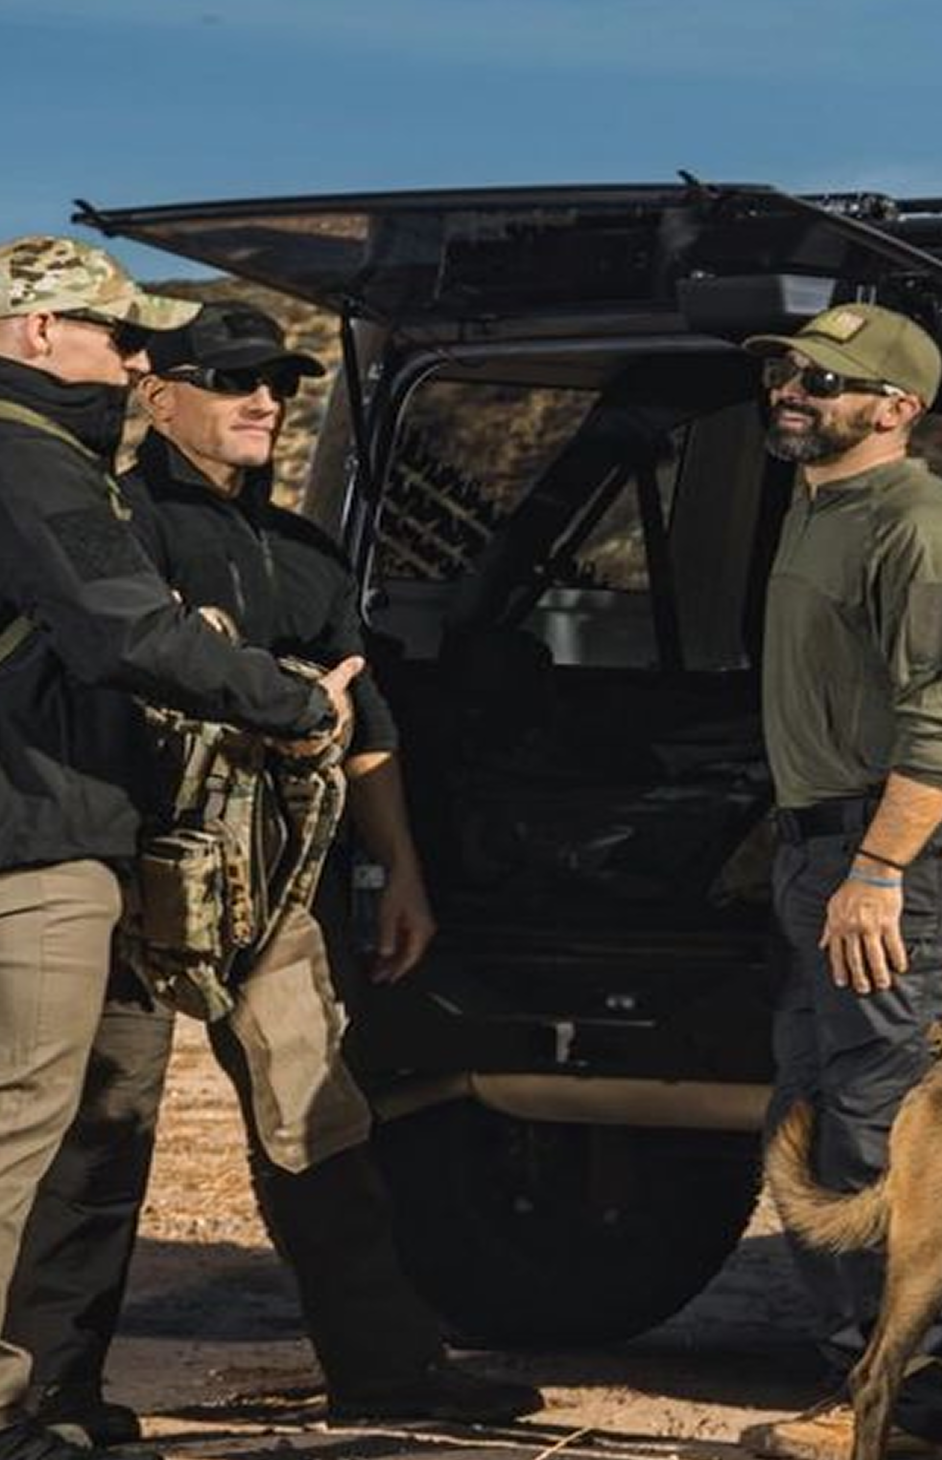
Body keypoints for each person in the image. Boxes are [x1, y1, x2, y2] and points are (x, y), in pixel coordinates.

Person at [5, 300, 540, 1443]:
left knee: (319, 1123)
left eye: (283, 382)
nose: (266, 400)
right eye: (236, 376)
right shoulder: (111, 524)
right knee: (100, 1140)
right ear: (158, 397)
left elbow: (366, 717)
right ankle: (51, 1396)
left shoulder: (304, 548)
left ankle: (386, 1368)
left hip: (274, 884)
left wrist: (400, 870)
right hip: (137, 872)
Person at [0, 237, 362, 1460]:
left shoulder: (62, 462)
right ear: (36, 329)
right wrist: (294, 701)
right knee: (26, 1132)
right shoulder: (33, 458)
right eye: (122, 335)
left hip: (84, 838)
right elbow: (121, 632)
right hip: (36, 838)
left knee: (89, 1130)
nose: (138, 355)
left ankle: (49, 1393)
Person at [733, 305, 942, 1460]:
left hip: (901, 862)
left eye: (824, 379)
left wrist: (878, 866)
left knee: (884, 1126)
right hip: (826, 855)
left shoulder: (925, 528)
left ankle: (914, 1408)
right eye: (787, 371)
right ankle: (859, 1385)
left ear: (897, 408)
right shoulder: (818, 510)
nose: (792, 389)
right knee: (810, 1113)